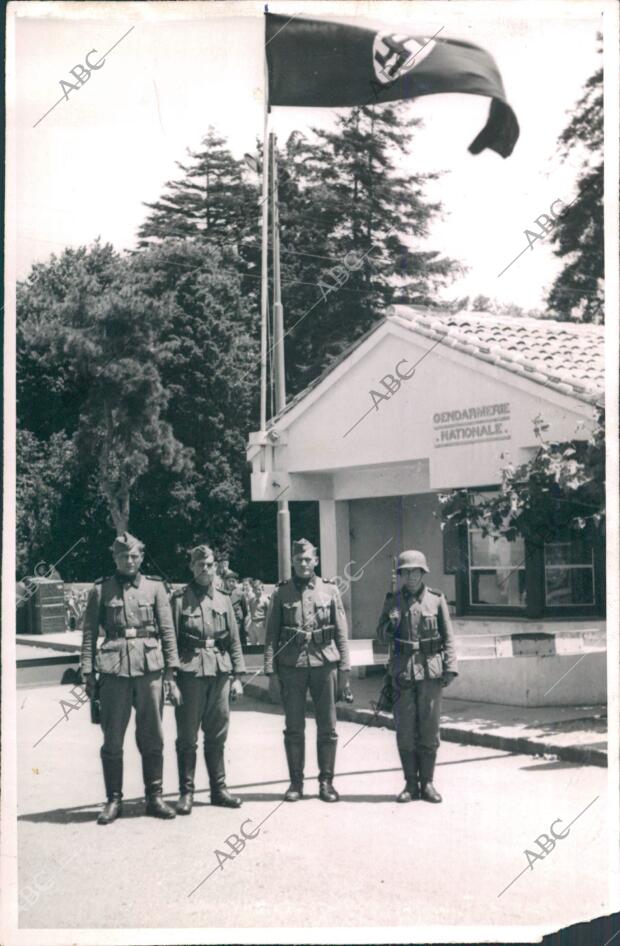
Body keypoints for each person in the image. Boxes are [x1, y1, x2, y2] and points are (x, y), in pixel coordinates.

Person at [81, 532, 181, 825]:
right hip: (113, 671)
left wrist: (170, 673)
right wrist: (88, 672)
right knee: (112, 738)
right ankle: (113, 799)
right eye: (124, 556)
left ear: (141, 557)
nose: (129, 560)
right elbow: (89, 635)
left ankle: (154, 797)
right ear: (115, 558)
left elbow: (167, 632)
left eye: (135, 555)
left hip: (149, 669)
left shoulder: (156, 588)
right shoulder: (101, 590)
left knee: (153, 735)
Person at [264, 538, 352, 803]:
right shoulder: (281, 593)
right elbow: (271, 636)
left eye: (308, 559)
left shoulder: (330, 591)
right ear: (292, 561)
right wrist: (271, 673)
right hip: (292, 667)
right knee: (293, 727)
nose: (303, 564)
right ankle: (296, 783)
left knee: (328, 727)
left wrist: (345, 670)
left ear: (316, 561)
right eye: (299, 559)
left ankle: (326, 783)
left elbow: (340, 632)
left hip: (324, 665)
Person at [375, 550, 458, 805]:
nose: (410, 576)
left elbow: (448, 637)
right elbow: (380, 637)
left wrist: (450, 667)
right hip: (402, 672)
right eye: (405, 571)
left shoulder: (436, 600)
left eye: (415, 571)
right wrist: (390, 624)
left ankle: (428, 783)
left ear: (423, 573)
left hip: (431, 671)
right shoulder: (393, 600)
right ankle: (411, 783)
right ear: (400, 575)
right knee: (405, 729)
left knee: (429, 728)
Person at [172, 545, 246, 815]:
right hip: (190, 672)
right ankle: (186, 792)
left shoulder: (225, 598)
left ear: (216, 567)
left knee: (217, 733)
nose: (205, 569)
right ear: (192, 567)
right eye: (200, 565)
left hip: (220, 671)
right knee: (187, 737)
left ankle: (218, 789)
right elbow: (170, 642)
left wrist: (238, 676)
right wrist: (171, 678)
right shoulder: (179, 599)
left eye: (210, 565)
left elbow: (234, 640)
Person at [248, 579, 270, 645]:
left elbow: (269, 613)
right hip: (253, 623)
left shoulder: (265, 600)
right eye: (257, 589)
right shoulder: (251, 600)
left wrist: (266, 624)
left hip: (262, 623)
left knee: (262, 644)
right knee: (252, 643)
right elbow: (251, 612)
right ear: (253, 590)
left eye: (261, 589)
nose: (259, 591)